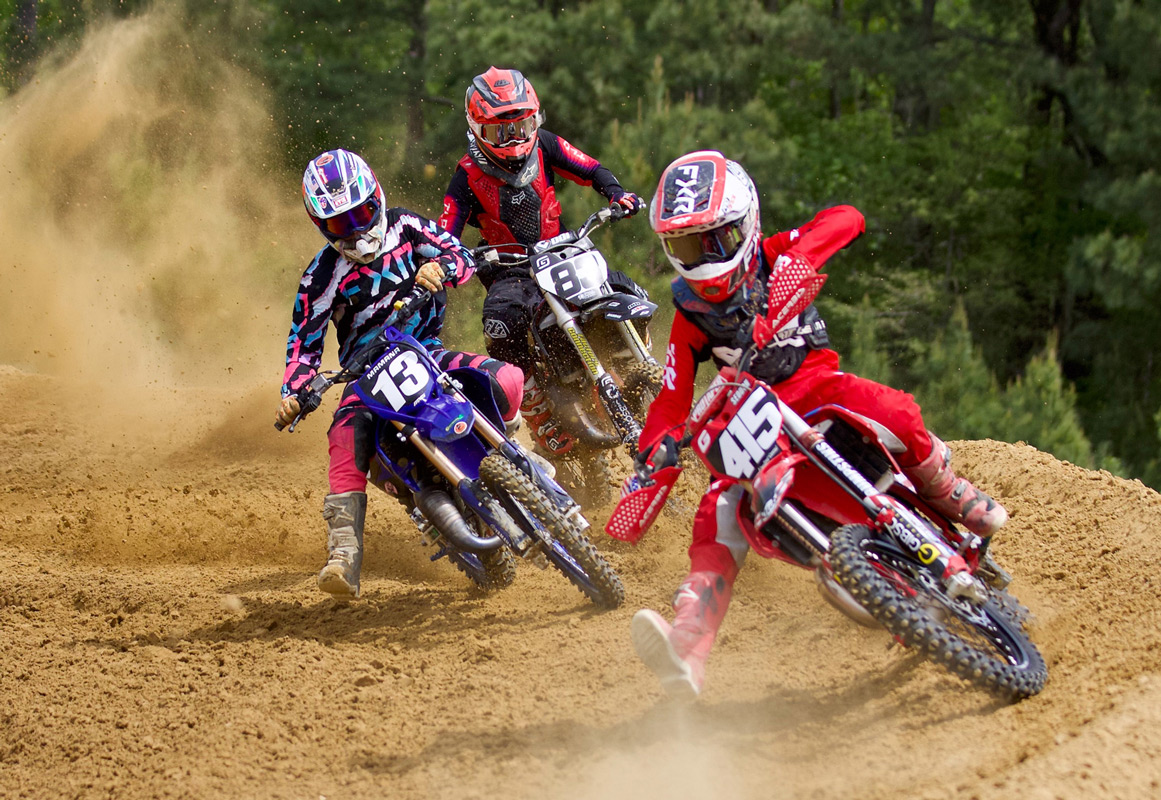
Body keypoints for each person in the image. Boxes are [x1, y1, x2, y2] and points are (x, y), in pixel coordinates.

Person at [627, 150, 1009, 698]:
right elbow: (670, 397)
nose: (706, 259)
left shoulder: (772, 256)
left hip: (818, 388)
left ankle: (949, 493)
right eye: (689, 246)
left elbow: (846, 217)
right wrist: (655, 453)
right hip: (756, 422)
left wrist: (797, 264)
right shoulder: (689, 316)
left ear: (747, 222)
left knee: (896, 410)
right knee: (718, 509)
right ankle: (688, 643)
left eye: (718, 240)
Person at [276, 148, 524, 599]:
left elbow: (461, 255)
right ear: (320, 225)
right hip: (366, 381)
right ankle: (344, 552)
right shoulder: (320, 277)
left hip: (427, 353)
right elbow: (302, 348)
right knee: (342, 436)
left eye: (363, 213)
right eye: (338, 224)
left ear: (378, 198)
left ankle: (510, 455)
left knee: (507, 378)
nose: (355, 230)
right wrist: (296, 391)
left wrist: (441, 267)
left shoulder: (407, 227)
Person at [438, 66, 646, 457]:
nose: (516, 138)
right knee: (500, 321)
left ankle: (642, 364)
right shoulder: (465, 176)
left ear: (536, 118)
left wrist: (617, 194)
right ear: (478, 130)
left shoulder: (545, 145)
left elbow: (590, 167)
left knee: (620, 287)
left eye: (524, 124)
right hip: (509, 269)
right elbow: (445, 230)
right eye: (503, 131)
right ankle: (537, 412)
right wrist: (446, 258)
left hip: (562, 249)